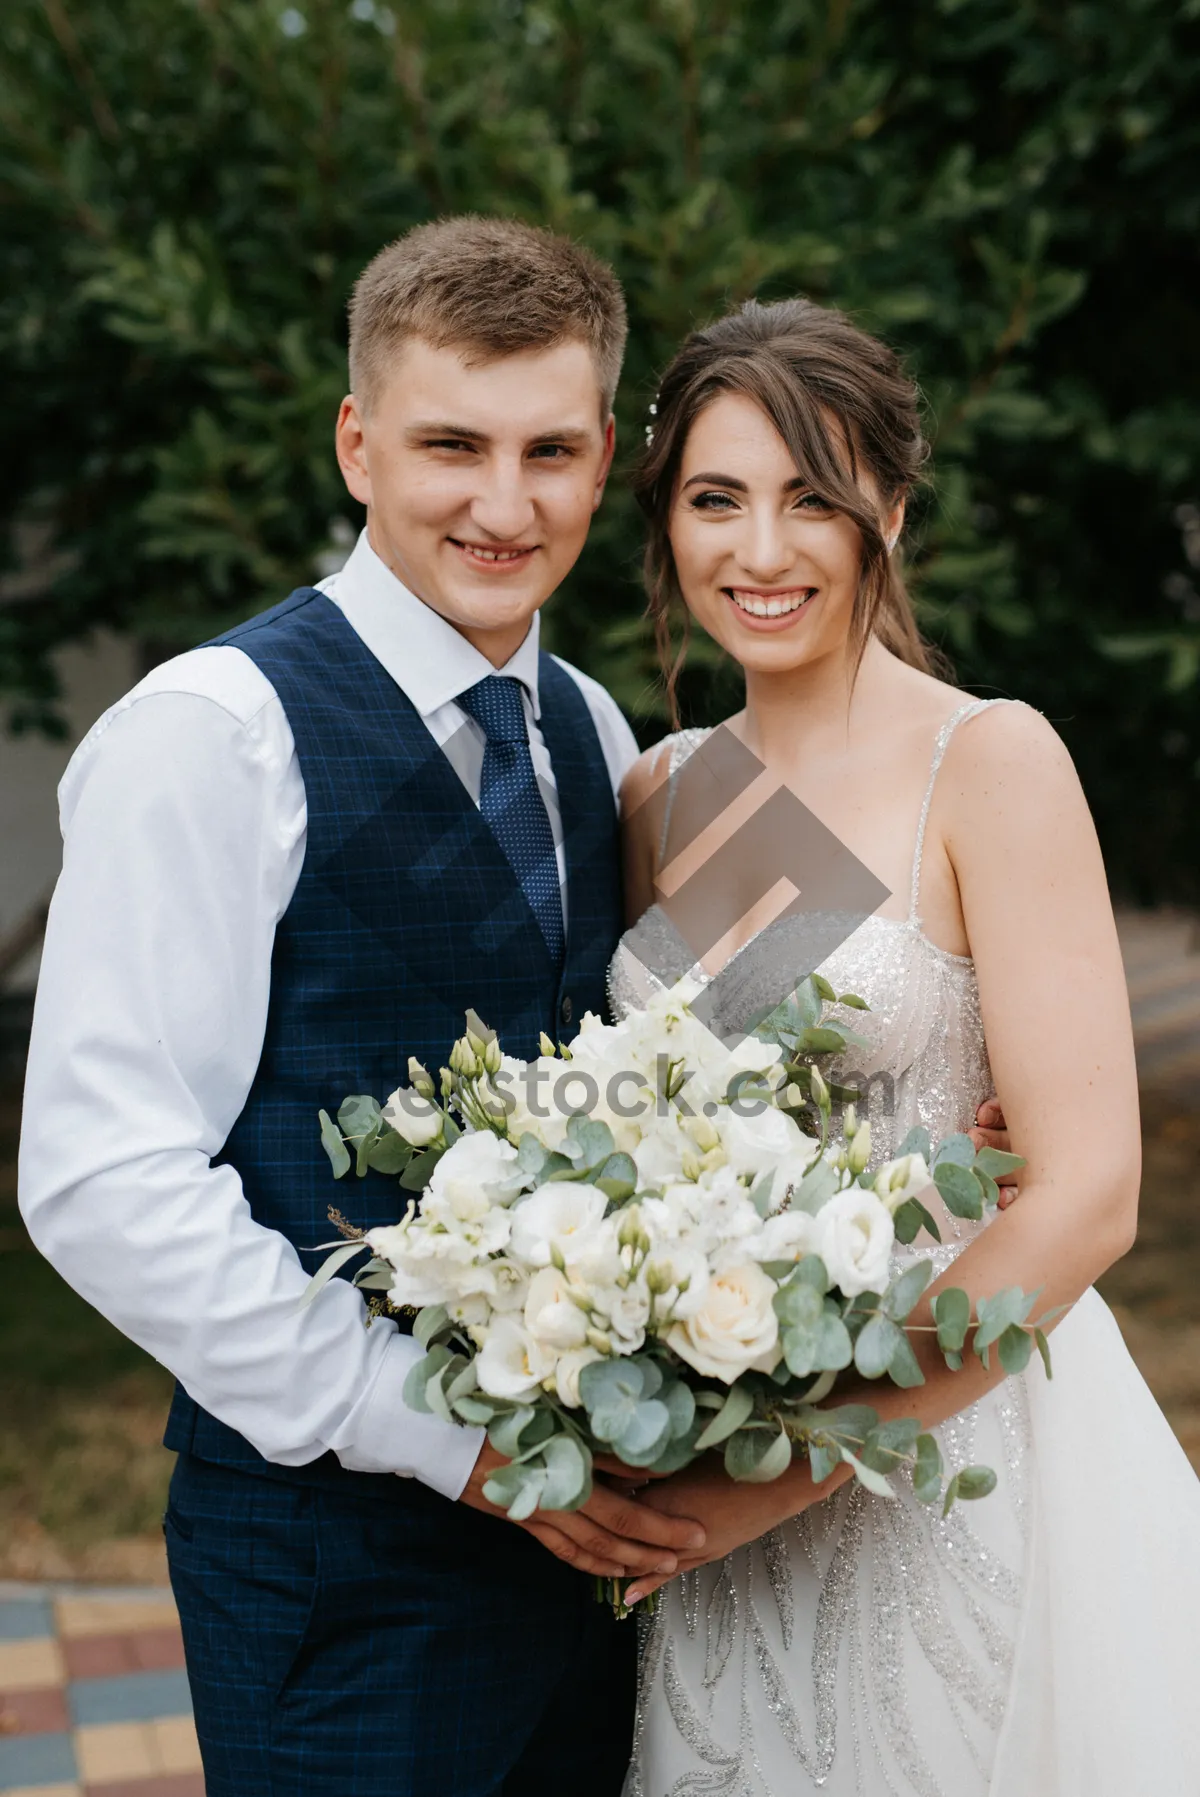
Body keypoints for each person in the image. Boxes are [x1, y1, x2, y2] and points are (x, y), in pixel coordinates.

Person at [17, 216, 711, 1797]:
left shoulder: (591, 727)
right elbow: (102, 1181)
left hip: (580, 1562)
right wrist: (447, 1437)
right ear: (356, 442)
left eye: (549, 451)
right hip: (335, 1556)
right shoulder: (210, 733)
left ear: (604, 460)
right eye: (450, 444)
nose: (502, 502)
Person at [607, 297, 1200, 1795]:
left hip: (944, 1471)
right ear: (665, 517)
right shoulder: (663, 790)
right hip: (717, 1473)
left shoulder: (987, 760)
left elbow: (1086, 1196)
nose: (761, 550)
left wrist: (794, 1466)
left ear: (891, 503)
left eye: (813, 496)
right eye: (716, 498)